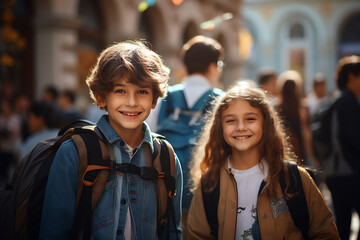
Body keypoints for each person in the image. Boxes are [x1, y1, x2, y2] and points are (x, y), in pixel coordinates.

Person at [39, 41, 183, 239]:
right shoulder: (74, 152)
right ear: (101, 98)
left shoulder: (166, 158)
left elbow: (172, 232)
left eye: (142, 91)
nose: (131, 102)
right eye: (120, 91)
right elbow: (53, 231)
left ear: (154, 100)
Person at [186, 84, 339, 239]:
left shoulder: (295, 178)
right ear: (220, 127)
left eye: (250, 119)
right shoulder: (210, 185)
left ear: (265, 123)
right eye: (230, 120)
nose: (240, 127)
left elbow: (325, 233)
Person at [146, 35, 224, 238]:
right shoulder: (222, 101)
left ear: (184, 64)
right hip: (207, 195)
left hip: (163, 192)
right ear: (213, 66)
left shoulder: (164, 98)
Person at [324, 55, 360, 240]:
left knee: (343, 224)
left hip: (335, 171)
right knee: (344, 225)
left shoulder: (337, 100)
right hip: (349, 171)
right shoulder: (348, 102)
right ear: (352, 77)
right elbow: (353, 138)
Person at [275, 70, 319, 167]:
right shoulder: (303, 107)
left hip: (283, 150)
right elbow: (306, 132)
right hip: (300, 150)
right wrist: (312, 154)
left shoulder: (277, 107)